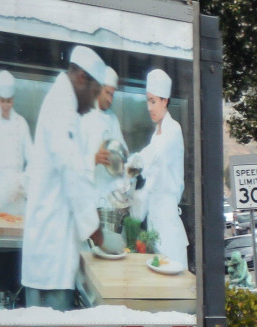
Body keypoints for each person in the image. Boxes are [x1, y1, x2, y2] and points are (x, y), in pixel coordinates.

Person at [21, 45, 106, 310]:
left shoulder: (64, 104)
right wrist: (97, 231)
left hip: (52, 247)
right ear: (82, 78)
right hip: (50, 253)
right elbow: (72, 174)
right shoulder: (61, 106)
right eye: (94, 93)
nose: (94, 103)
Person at [130, 69, 187, 265]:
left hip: (168, 224)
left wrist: (132, 166)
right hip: (155, 223)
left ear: (165, 101)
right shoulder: (157, 134)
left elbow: (153, 155)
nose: (149, 107)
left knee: (173, 285)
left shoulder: (173, 130)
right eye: (148, 101)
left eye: (153, 101)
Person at [0, 69, 31, 218]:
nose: (5, 105)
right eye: (2, 100)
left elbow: (34, 160)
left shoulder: (21, 123)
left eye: (9, 101)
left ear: (13, 99)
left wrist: (22, 184)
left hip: (18, 197)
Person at [80, 66, 125, 208]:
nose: (110, 99)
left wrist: (121, 160)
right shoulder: (83, 116)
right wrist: (94, 159)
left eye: (112, 94)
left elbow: (123, 154)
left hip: (108, 200)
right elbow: (72, 160)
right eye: (107, 93)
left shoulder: (113, 120)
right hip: (87, 198)